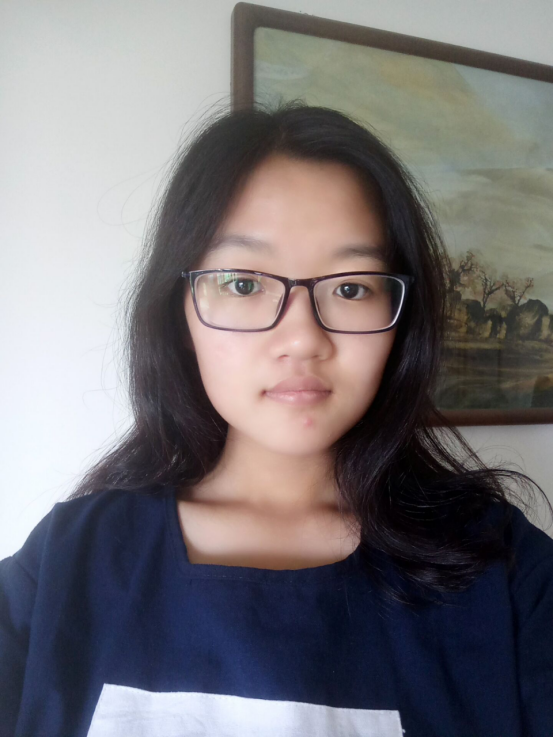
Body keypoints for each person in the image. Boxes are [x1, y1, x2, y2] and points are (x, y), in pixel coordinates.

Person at [1, 101, 552, 738]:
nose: (302, 339)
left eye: (351, 288)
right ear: (180, 313)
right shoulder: (67, 563)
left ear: (402, 323)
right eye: (243, 283)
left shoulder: (507, 573)